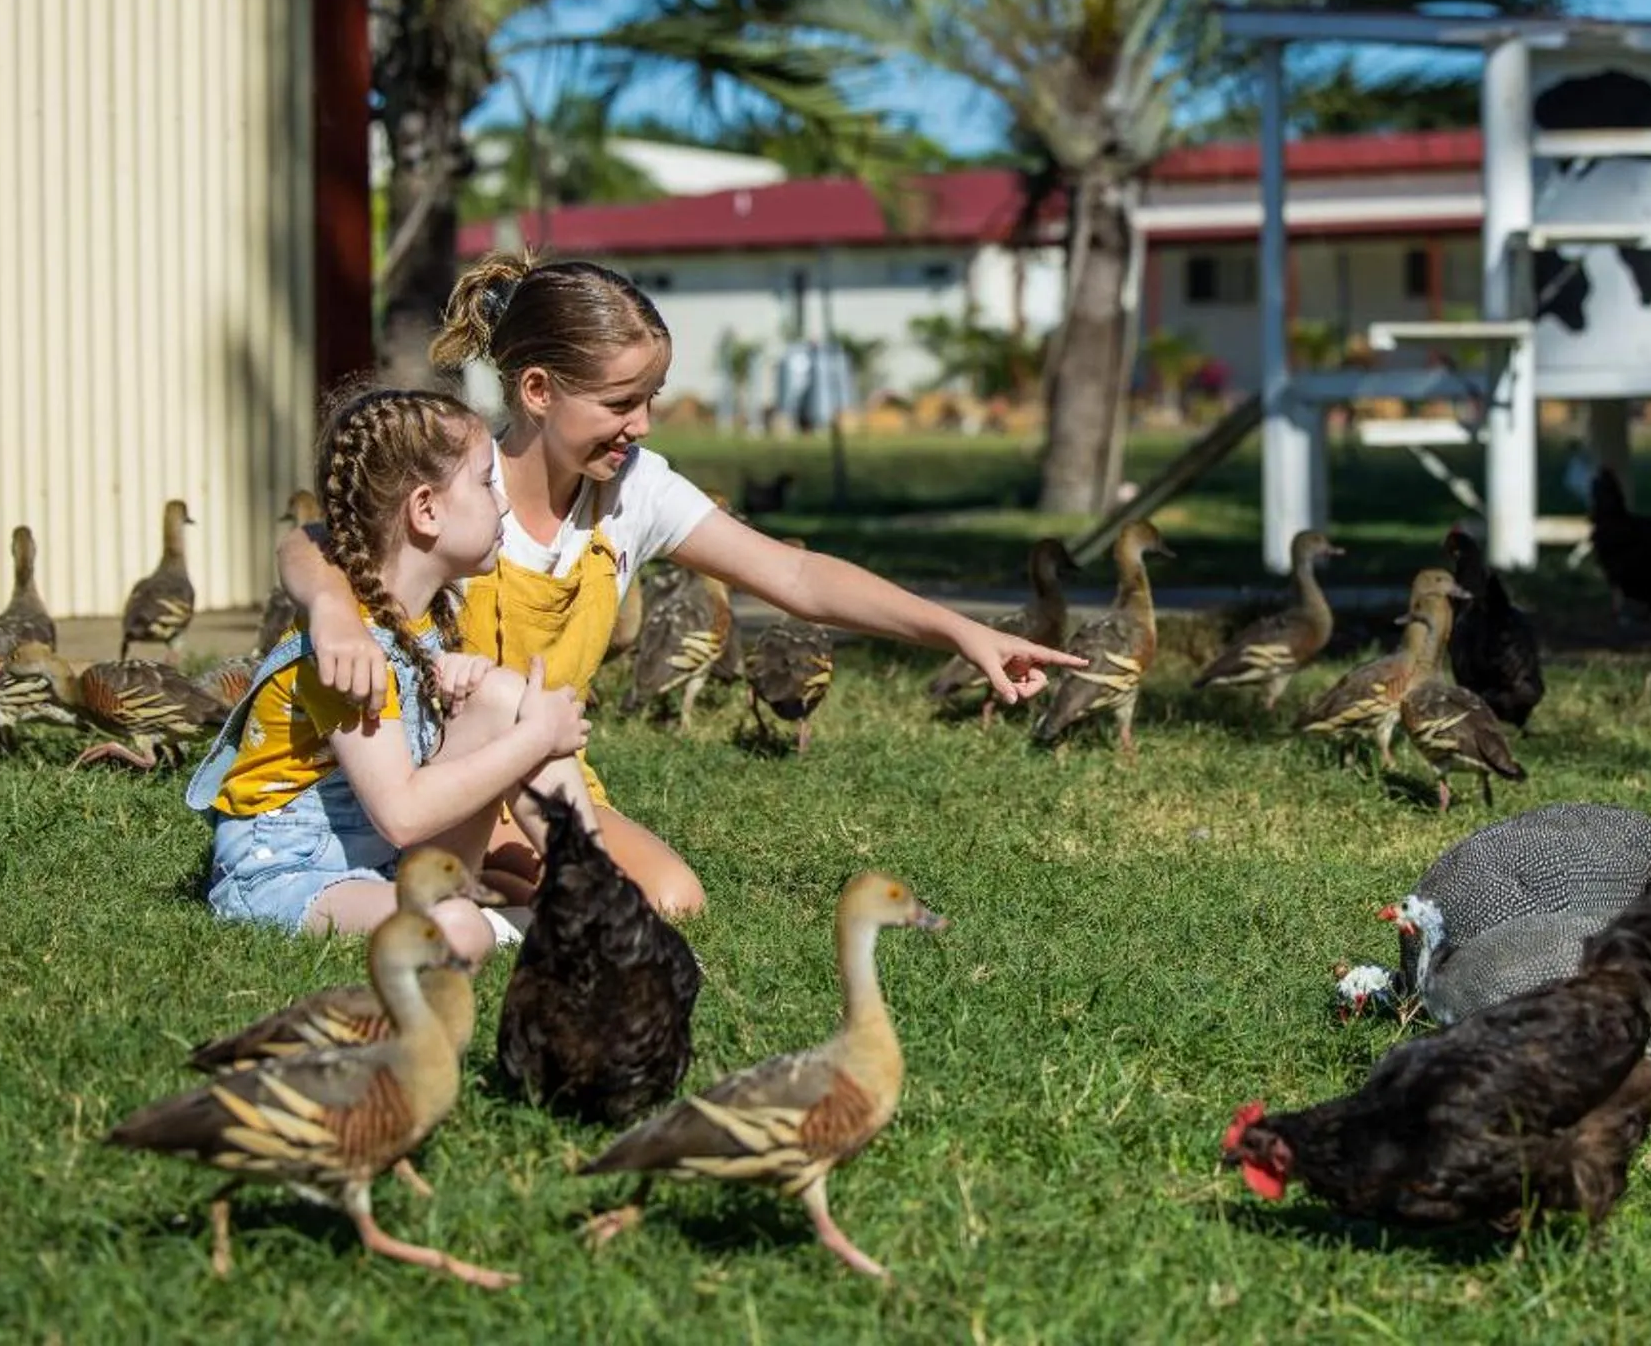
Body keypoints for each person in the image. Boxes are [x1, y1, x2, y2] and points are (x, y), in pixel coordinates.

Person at [277, 252, 1079, 920]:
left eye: (650, 399)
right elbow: (312, 539)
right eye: (621, 402)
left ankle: (495, 896)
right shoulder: (459, 491)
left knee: (673, 899)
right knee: (593, 906)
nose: (643, 425)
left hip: (544, 771)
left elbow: (795, 573)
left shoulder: (632, 488)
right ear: (536, 391)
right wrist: (328, 607)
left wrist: (959, 631)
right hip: (450, 775)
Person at [191, 383, 593, 961]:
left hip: (377, 859)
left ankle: (601, 897)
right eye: (485, 483)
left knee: (505, 695)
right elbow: (403, 815)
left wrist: (458, 687)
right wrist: (537, 738)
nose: (502, 503)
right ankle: (534, 923)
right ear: (426, 510)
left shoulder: (418, 615)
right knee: (457, 930)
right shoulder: (350, 656)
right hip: (292, 875)